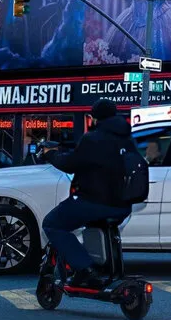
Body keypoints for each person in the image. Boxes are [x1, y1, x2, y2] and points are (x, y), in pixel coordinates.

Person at [42, 99, 137, 286]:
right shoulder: (128, 140)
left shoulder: (92, 138)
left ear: (95, 118)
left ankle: (85, 269)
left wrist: (50, 154)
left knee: (52, 224)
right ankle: (106, 268)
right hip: (122, 206)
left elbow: (69, 164)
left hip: (94, 203)